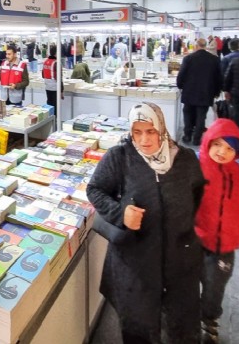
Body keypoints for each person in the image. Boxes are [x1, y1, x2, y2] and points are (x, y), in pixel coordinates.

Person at [87, 102, 206, 344]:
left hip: (179, 263)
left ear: (161, 129)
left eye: (150, 131)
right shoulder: (120, 157)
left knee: (181, 328)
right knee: (137, 328)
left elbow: (198, 197)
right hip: (135, 264)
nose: (143, 140)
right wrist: (121, 214)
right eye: (137, 132)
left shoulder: (185, 159)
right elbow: (95, 189)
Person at [195, 118, 239, 343]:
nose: (222, 152)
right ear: (208, 142)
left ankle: (209, 320)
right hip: (193, 240)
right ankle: (180, 316)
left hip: (225, 245)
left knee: (215, 288)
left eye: (229, 148)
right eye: (217, 144)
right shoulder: (195, 166)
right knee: (182, 283)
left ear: (238, 151)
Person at [176, 39, 222, 145]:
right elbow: (219, 77)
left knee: (188, 114)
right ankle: (197, 139)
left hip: (189, 92)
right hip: (206, 93)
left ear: (196, 46)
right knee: (201, 116)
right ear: (205, 46)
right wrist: (217, 91)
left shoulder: (188, 58)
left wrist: (180, 86)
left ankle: (187, 136)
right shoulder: (214, 59)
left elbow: (181, 74)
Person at [41, 45, 63, 114]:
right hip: (55, 88)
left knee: (49, 105)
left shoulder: (45, 62)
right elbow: (59, 78)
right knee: (55, 106)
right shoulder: (56, 63)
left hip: (47, 87)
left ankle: (50, 120)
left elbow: (43, 74)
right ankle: (55, 121)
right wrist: (61, 90)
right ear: (56, 53)